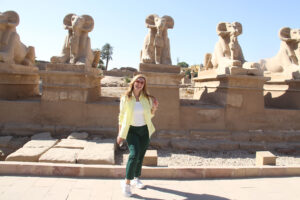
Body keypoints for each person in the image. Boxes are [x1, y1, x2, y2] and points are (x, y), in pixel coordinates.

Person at [117, 74, 158, 197]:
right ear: (133, 82)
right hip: (131, 131)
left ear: (144, 85)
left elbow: (150, 115)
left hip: (144, 130)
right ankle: (127, 183)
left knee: (141, 155)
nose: (139, 84)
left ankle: (136, 178)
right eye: (138, 81)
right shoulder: (126, 98)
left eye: (142, 82)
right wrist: (119, 134)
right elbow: (121, 117)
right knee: (134, 155)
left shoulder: (147, 99)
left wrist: (154, 108)